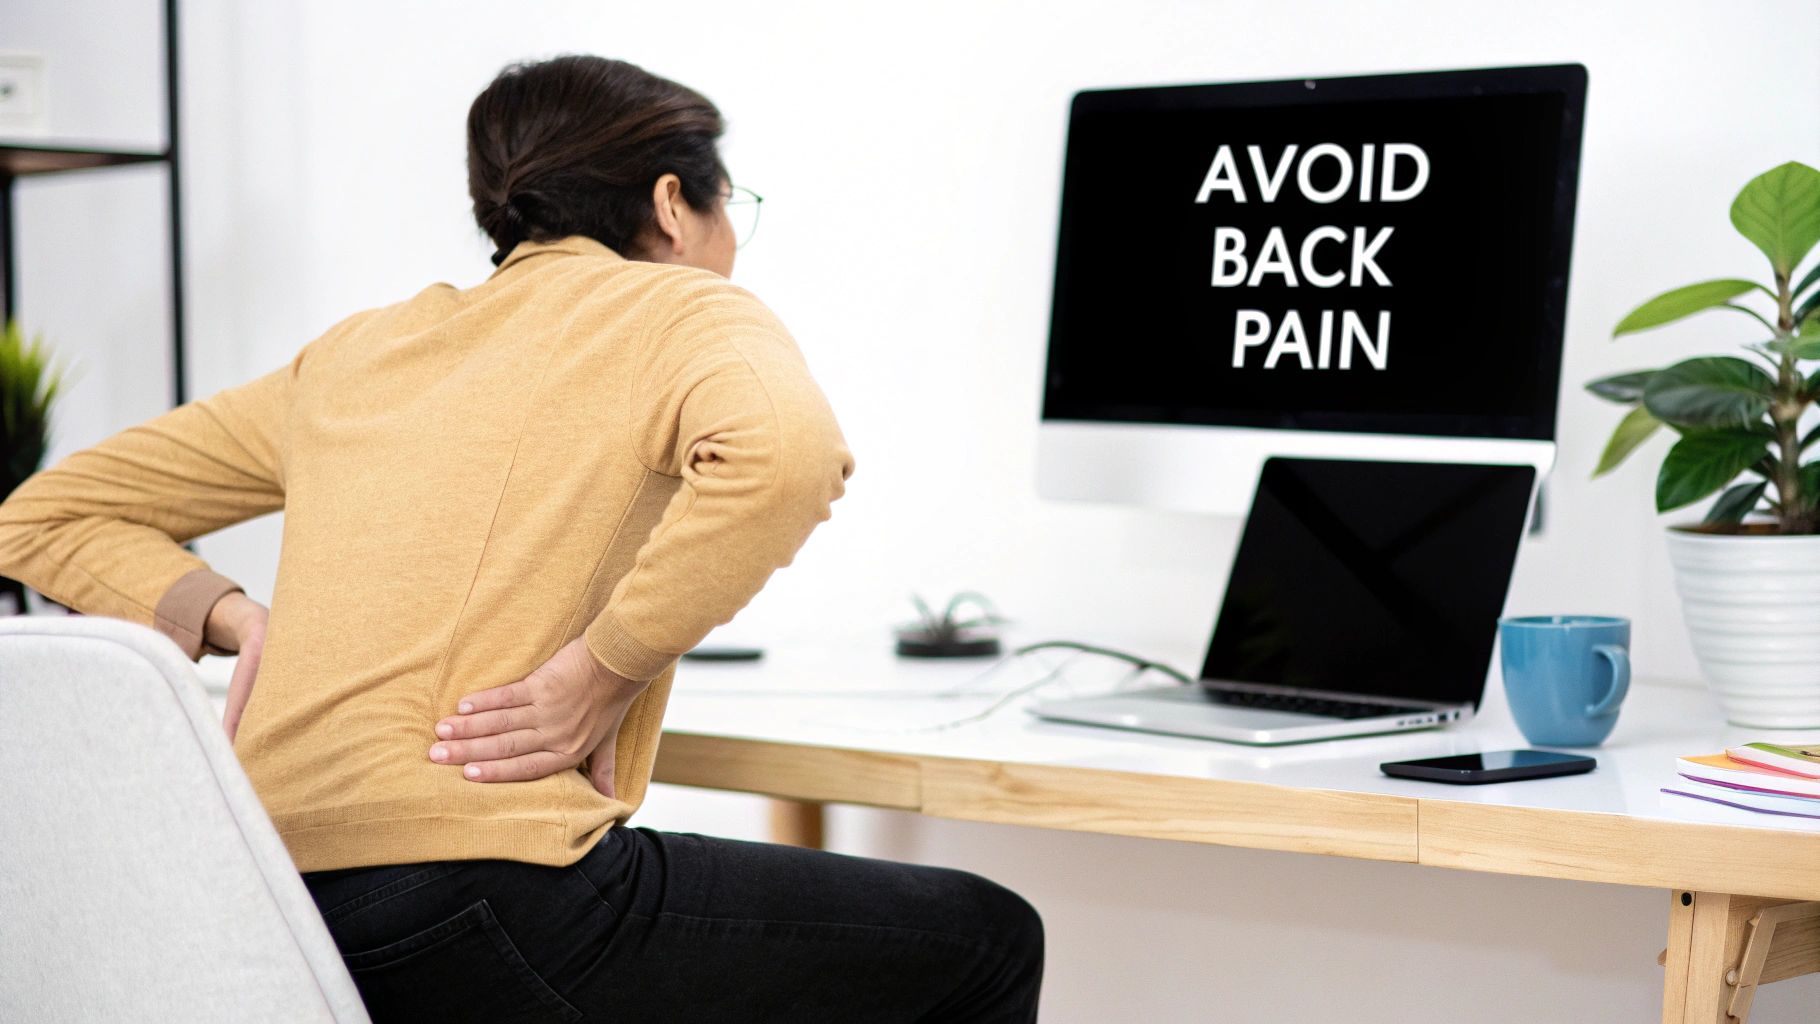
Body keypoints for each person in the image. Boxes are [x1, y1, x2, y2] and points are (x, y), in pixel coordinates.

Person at [0, 54, 1043, 1022]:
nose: (730, 243)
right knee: (986, 939)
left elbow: (38, 513)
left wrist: (229, 616)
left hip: (268, 903)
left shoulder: (361, 351)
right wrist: (607, 667)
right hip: (480, 896)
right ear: (673, 205)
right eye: (734, 207)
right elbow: (784, 454)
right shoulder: (677, 308)